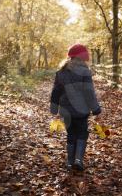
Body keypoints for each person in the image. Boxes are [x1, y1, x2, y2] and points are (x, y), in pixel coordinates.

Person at [50, 43, 101, 171]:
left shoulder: (61, 72)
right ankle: (78, 160)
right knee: (82, 133)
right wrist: (95, 109)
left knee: (71, 133)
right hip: (81, 111)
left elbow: (56, 91)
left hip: (66, 111)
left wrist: (54, 108)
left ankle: (69, 161)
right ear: (82, 57)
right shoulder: (85, 71)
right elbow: (89, 93)